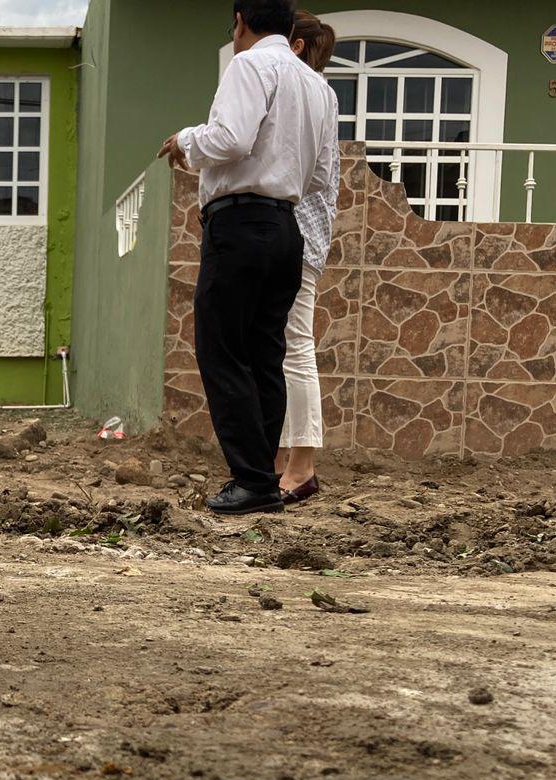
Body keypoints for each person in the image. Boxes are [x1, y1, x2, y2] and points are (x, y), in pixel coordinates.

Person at [157, 0, 334, 516]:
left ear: (241, 22)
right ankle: (263, 477)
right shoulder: (317, 86)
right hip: (287, 228)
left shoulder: (250, 64)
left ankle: (251, 479)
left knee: (222, 351)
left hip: (241, 224)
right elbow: (321, 176)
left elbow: (230, 139)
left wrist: (187, 138)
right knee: (264, 355)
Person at [277, 11, 338, 506]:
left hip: (299, 234)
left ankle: (302, 463)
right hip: (301, 236)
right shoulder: (317, 92)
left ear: (294, 46)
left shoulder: (310, 92)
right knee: (282, 350)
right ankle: (285, 459)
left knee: (295, 347)